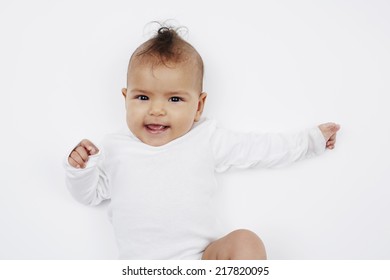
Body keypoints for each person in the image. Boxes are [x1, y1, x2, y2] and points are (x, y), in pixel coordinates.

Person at [64, 25, 340, 260]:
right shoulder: (114, 148)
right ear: (125, 98)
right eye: (143, 97)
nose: (156, 110)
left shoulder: (205, 138)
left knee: (246, 242)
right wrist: (81, 169)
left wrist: (310, 140)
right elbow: (90, 194)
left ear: (198, 106)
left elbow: (260, 148)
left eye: (174, 99)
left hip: (202, 259)